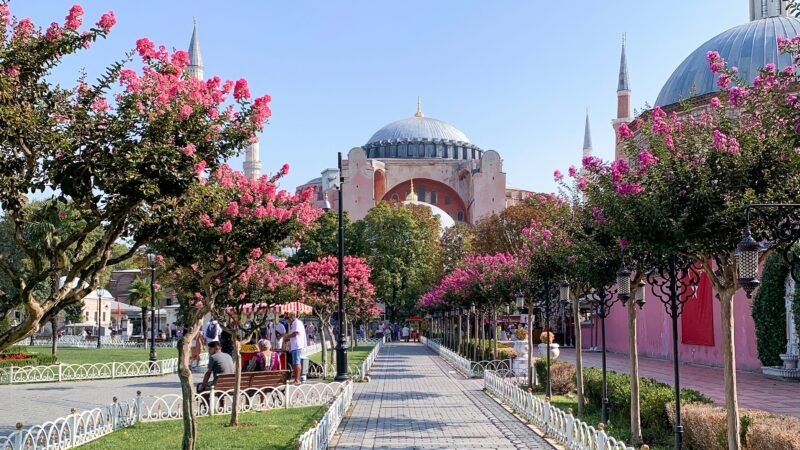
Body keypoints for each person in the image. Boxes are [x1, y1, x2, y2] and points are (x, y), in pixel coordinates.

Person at [284, 312, 307, 384]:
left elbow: (295, 333)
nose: (287, 321)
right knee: (295, 362)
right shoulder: (294, 324)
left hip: (297, 345)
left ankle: (297, 380)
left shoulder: (297, 323)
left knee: (297, 362)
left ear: (291, 318)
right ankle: (296, 379)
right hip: (294, 346)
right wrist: (288, 339)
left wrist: (287, 337)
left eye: (288, 319)